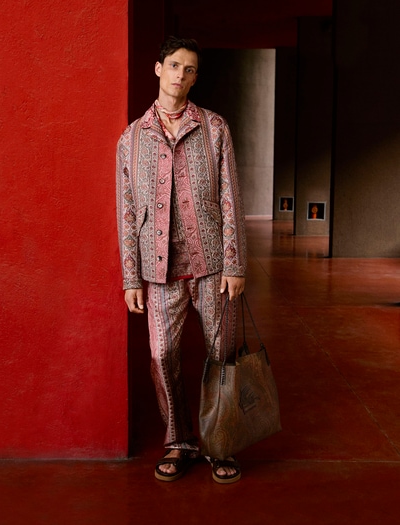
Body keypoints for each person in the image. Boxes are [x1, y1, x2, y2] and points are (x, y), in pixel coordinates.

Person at [116, 36, 247, 484]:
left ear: (195, 76)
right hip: (159, 271)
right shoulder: (131, 138)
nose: (181, 75)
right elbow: (127, 210)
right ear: (158, 69)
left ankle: (220, 443)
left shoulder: (215, 128)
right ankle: (180, 441)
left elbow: (230, 199)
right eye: (174, 65)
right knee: (162, 353)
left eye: (190, 69)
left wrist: (235, 264)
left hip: (211, 264)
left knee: (221, 355)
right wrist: (130, 277)